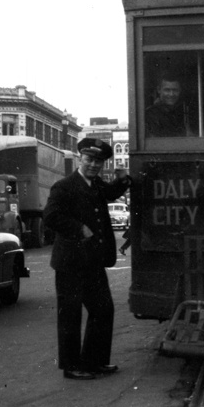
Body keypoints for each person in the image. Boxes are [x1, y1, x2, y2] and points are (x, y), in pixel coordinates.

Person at [44, 138, 132, 380]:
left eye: (99, 161)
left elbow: (112, 192)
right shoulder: (64, 186)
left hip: (92, 261)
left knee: (103, 310)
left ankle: (95, 362)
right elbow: (50, 217)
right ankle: (72, 367)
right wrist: (78, 228)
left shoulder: (96, 185)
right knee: (70, 315)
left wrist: (123, 179)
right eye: (89, 160)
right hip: (70, 263)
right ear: (80, 158)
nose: (94, 165)